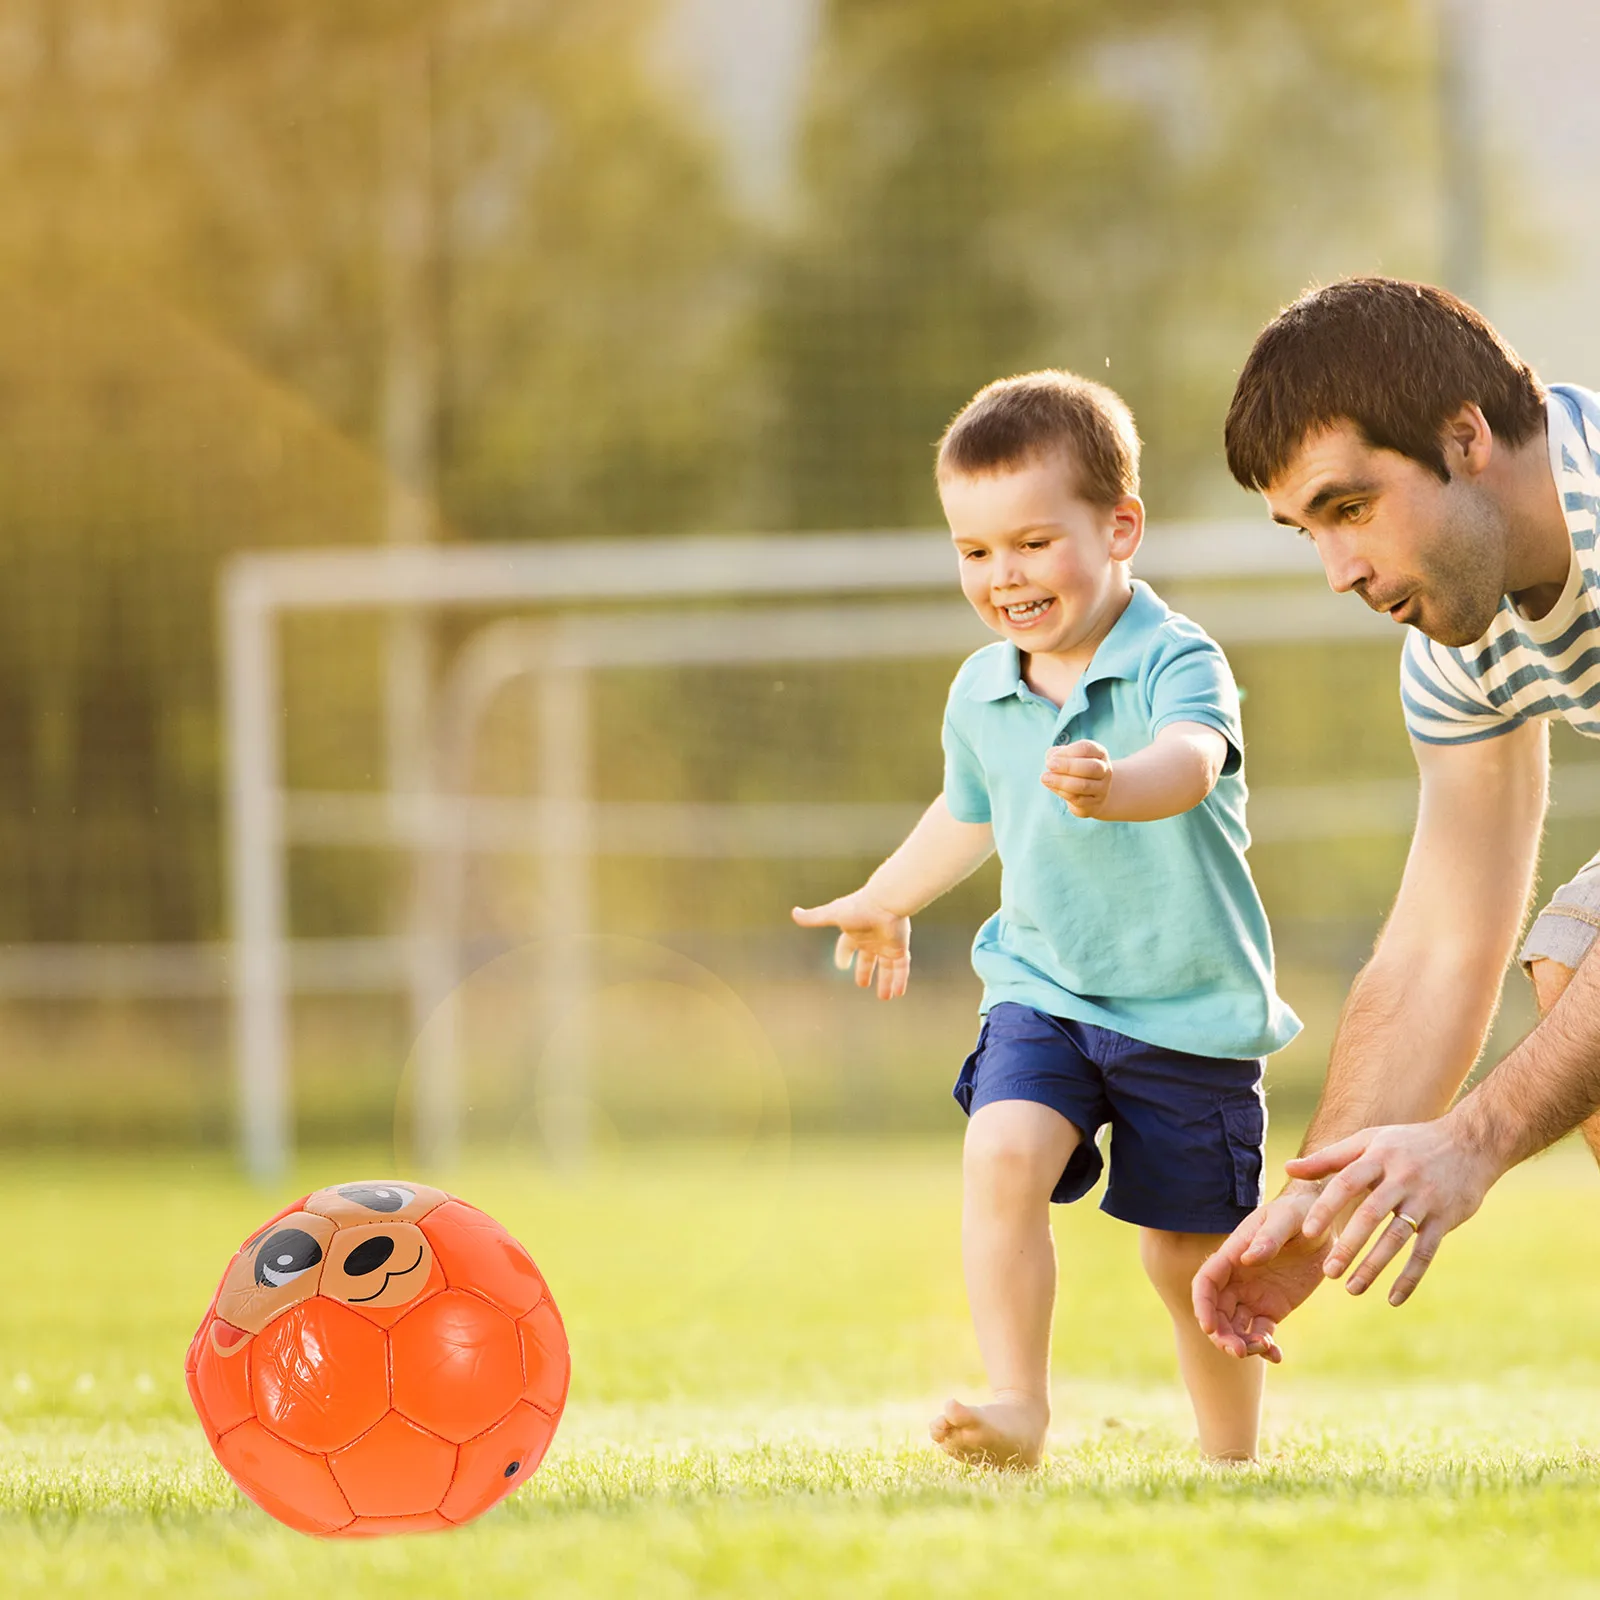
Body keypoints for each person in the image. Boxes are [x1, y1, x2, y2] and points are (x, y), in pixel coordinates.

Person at [792, 371, 1301, 1466]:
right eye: (974, 552)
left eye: (1031, 542)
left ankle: (1228, 1454)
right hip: (1044, 988)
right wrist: (885, 897)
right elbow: (966, 810)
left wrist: (1116, 783)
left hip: (1187, 1010)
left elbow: (1191, 761)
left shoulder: (1178, 656)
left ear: (1119, 527)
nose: (1002, 576)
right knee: (1003, 1152)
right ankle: (1017, 1403)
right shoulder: (981, 688)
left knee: (1185, 1255)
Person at [1192, 277, 1600, 1362]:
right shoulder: (1456, 648)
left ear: (1464, 438)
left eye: (1350, 506)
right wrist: (1312, 1216)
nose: (1338, 572)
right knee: (1571, 957)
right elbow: (1436, 949)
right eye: (1307, 532)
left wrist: (1475, 1138)